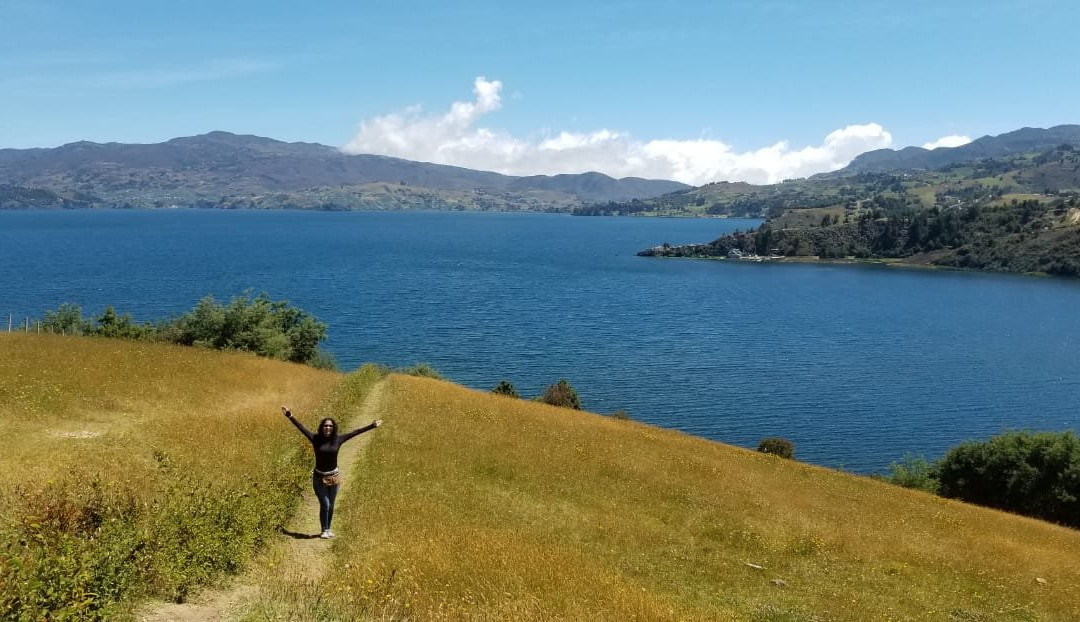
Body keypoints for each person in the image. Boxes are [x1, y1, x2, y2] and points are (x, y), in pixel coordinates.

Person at [282, 405, 382, 539]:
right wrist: (290, 416)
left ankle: (328, 529)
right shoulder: (315, 439)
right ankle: (324, 530)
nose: (327, 428)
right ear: (321, 427)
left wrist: (372, 426)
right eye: (325, 426)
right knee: (326, 504)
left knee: (332, 504)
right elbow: (301, 428)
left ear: (333, 428)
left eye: (330, 426)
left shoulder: (338, 439)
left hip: (334, 477)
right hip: (319, 478)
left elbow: (355, 432)